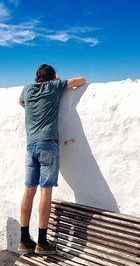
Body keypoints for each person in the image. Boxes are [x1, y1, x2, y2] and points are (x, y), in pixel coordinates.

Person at [18, 64, 86, 255]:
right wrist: (57, 81)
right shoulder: (54, 87)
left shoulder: (27, 90)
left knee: (28, 191)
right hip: (48, 145)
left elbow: (22, 103)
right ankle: (41, 242)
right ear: (52, 77)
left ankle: (24, 240)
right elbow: (81, 79)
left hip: (30, 146)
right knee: (45, 193)